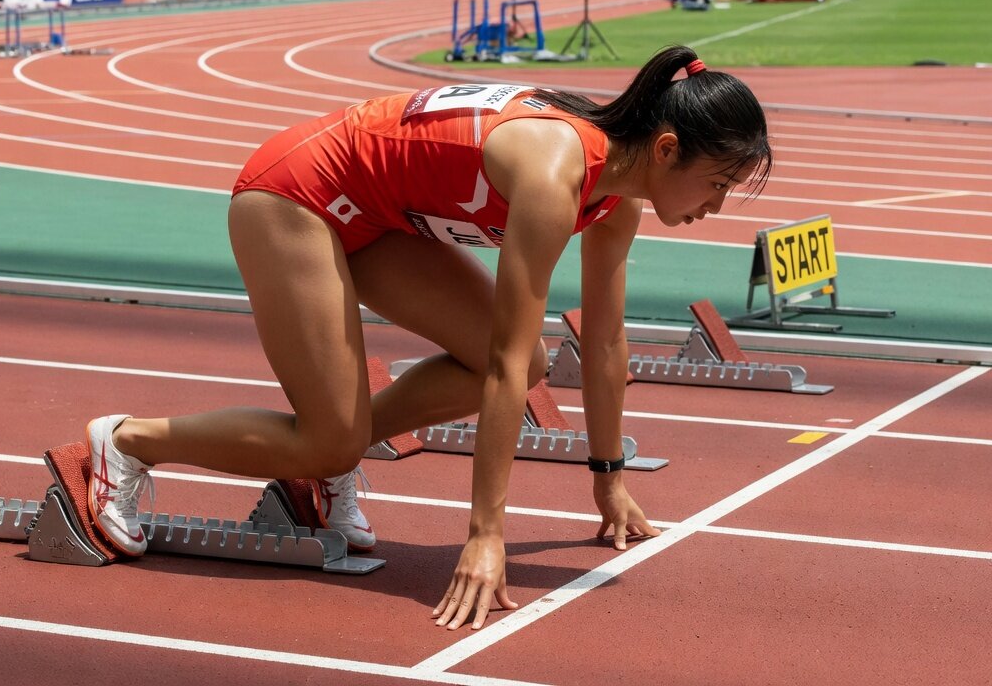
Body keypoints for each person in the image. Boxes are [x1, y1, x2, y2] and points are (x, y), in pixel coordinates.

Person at [80, 45, 773, 630]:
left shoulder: (618, 197)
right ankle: (128, 442)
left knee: (519, 365)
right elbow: (501, 366)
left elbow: (606, 341)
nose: (715, 208)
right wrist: (485, 536)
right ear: (666, 148)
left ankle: (330, 461)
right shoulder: (555, 174)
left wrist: (608, 481)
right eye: (716, 186)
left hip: (379, 218)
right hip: (296, 196)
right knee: (345, 432)